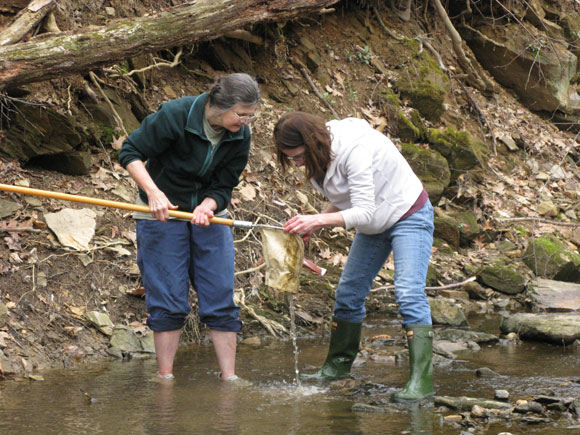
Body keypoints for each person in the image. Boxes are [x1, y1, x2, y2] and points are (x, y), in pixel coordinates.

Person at [273, 112, 435, 402]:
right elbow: (347, 196)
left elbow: (363, 211)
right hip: (375, 222)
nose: (297, 163)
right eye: (291, 158)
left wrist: (316, 221)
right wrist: (320, 217)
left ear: (312, 144)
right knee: (348, 293)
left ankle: (421, 382)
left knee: (409, 293)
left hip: (409, 213)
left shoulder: (354, 151)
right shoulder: (320, 155)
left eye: (298, 156)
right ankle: (337, 367)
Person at [119, 73, 260, 381]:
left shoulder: (240, 135)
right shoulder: (176, 115)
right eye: (241, 114)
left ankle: (230, 379)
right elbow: (130, 152)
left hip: (210, 217)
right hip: (162, 215)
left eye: (251, 115)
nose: (246, 121)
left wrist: (208, 205)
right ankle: (165, 379)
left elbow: (225, 184)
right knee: (168, 299)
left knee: (221, 297)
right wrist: (154, 193)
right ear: (219, 106)